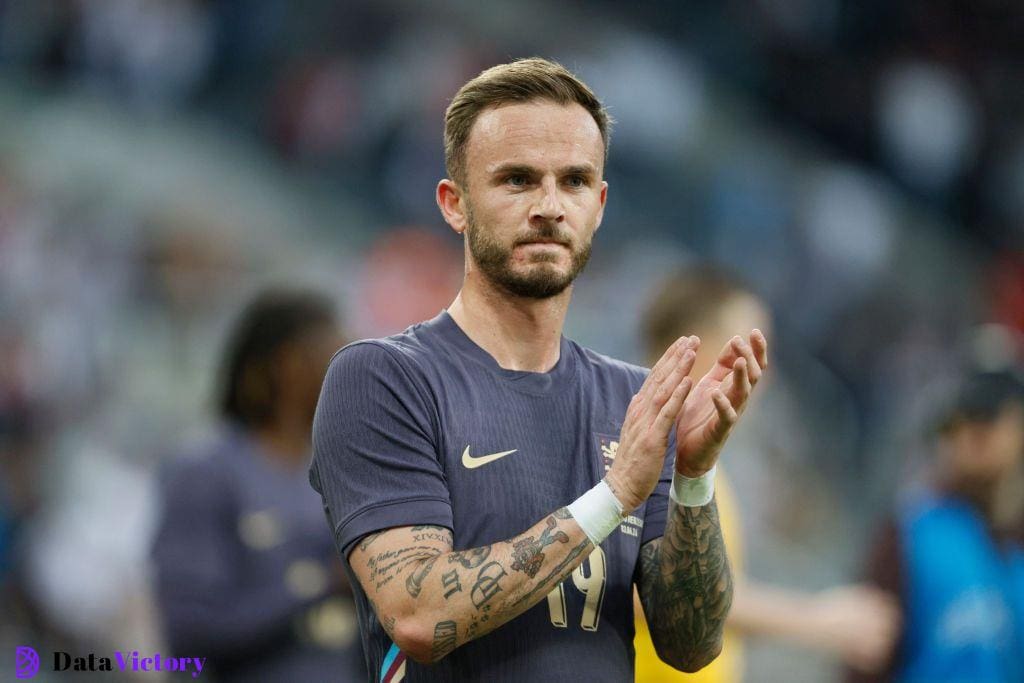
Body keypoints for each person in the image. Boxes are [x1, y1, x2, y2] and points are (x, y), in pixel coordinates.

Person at [309, 58, 768, 682]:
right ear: (455, 204)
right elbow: (418, 617)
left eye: (575, 181)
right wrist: (613, 498)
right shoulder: (384, 380)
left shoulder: (635, 401)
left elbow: (691, 645)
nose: (550, 207)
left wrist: (694, 476)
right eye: (518, 180)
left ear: (600, 204)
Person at [635, 266, 901, 682]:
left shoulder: (698, 469)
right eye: (754, 349)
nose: (766, 373)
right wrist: (816, 621)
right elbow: (650, 588)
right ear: (696, 349)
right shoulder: (641, 453)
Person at [151, 288, 366, 682]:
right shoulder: (206, 472)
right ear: (286, 365)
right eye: (334, 356)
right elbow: (189, 632)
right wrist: (323, 584)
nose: (353, 376)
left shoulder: (348, 475)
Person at [848, 366, 1024, 683]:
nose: (971, 438)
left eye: (987, 422)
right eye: (960, 425)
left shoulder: (1014, 536)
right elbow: (864, 658)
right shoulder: (912, 531)